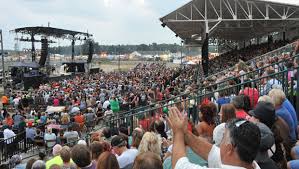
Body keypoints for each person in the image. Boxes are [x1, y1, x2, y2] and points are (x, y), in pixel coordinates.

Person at [167, 106, 261, 169]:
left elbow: (179, 165)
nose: (220, 143)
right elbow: (211, 152)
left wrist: (178, 132)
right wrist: (185, 133)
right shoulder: (251, 164)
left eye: (223, 137)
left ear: (229, 148)